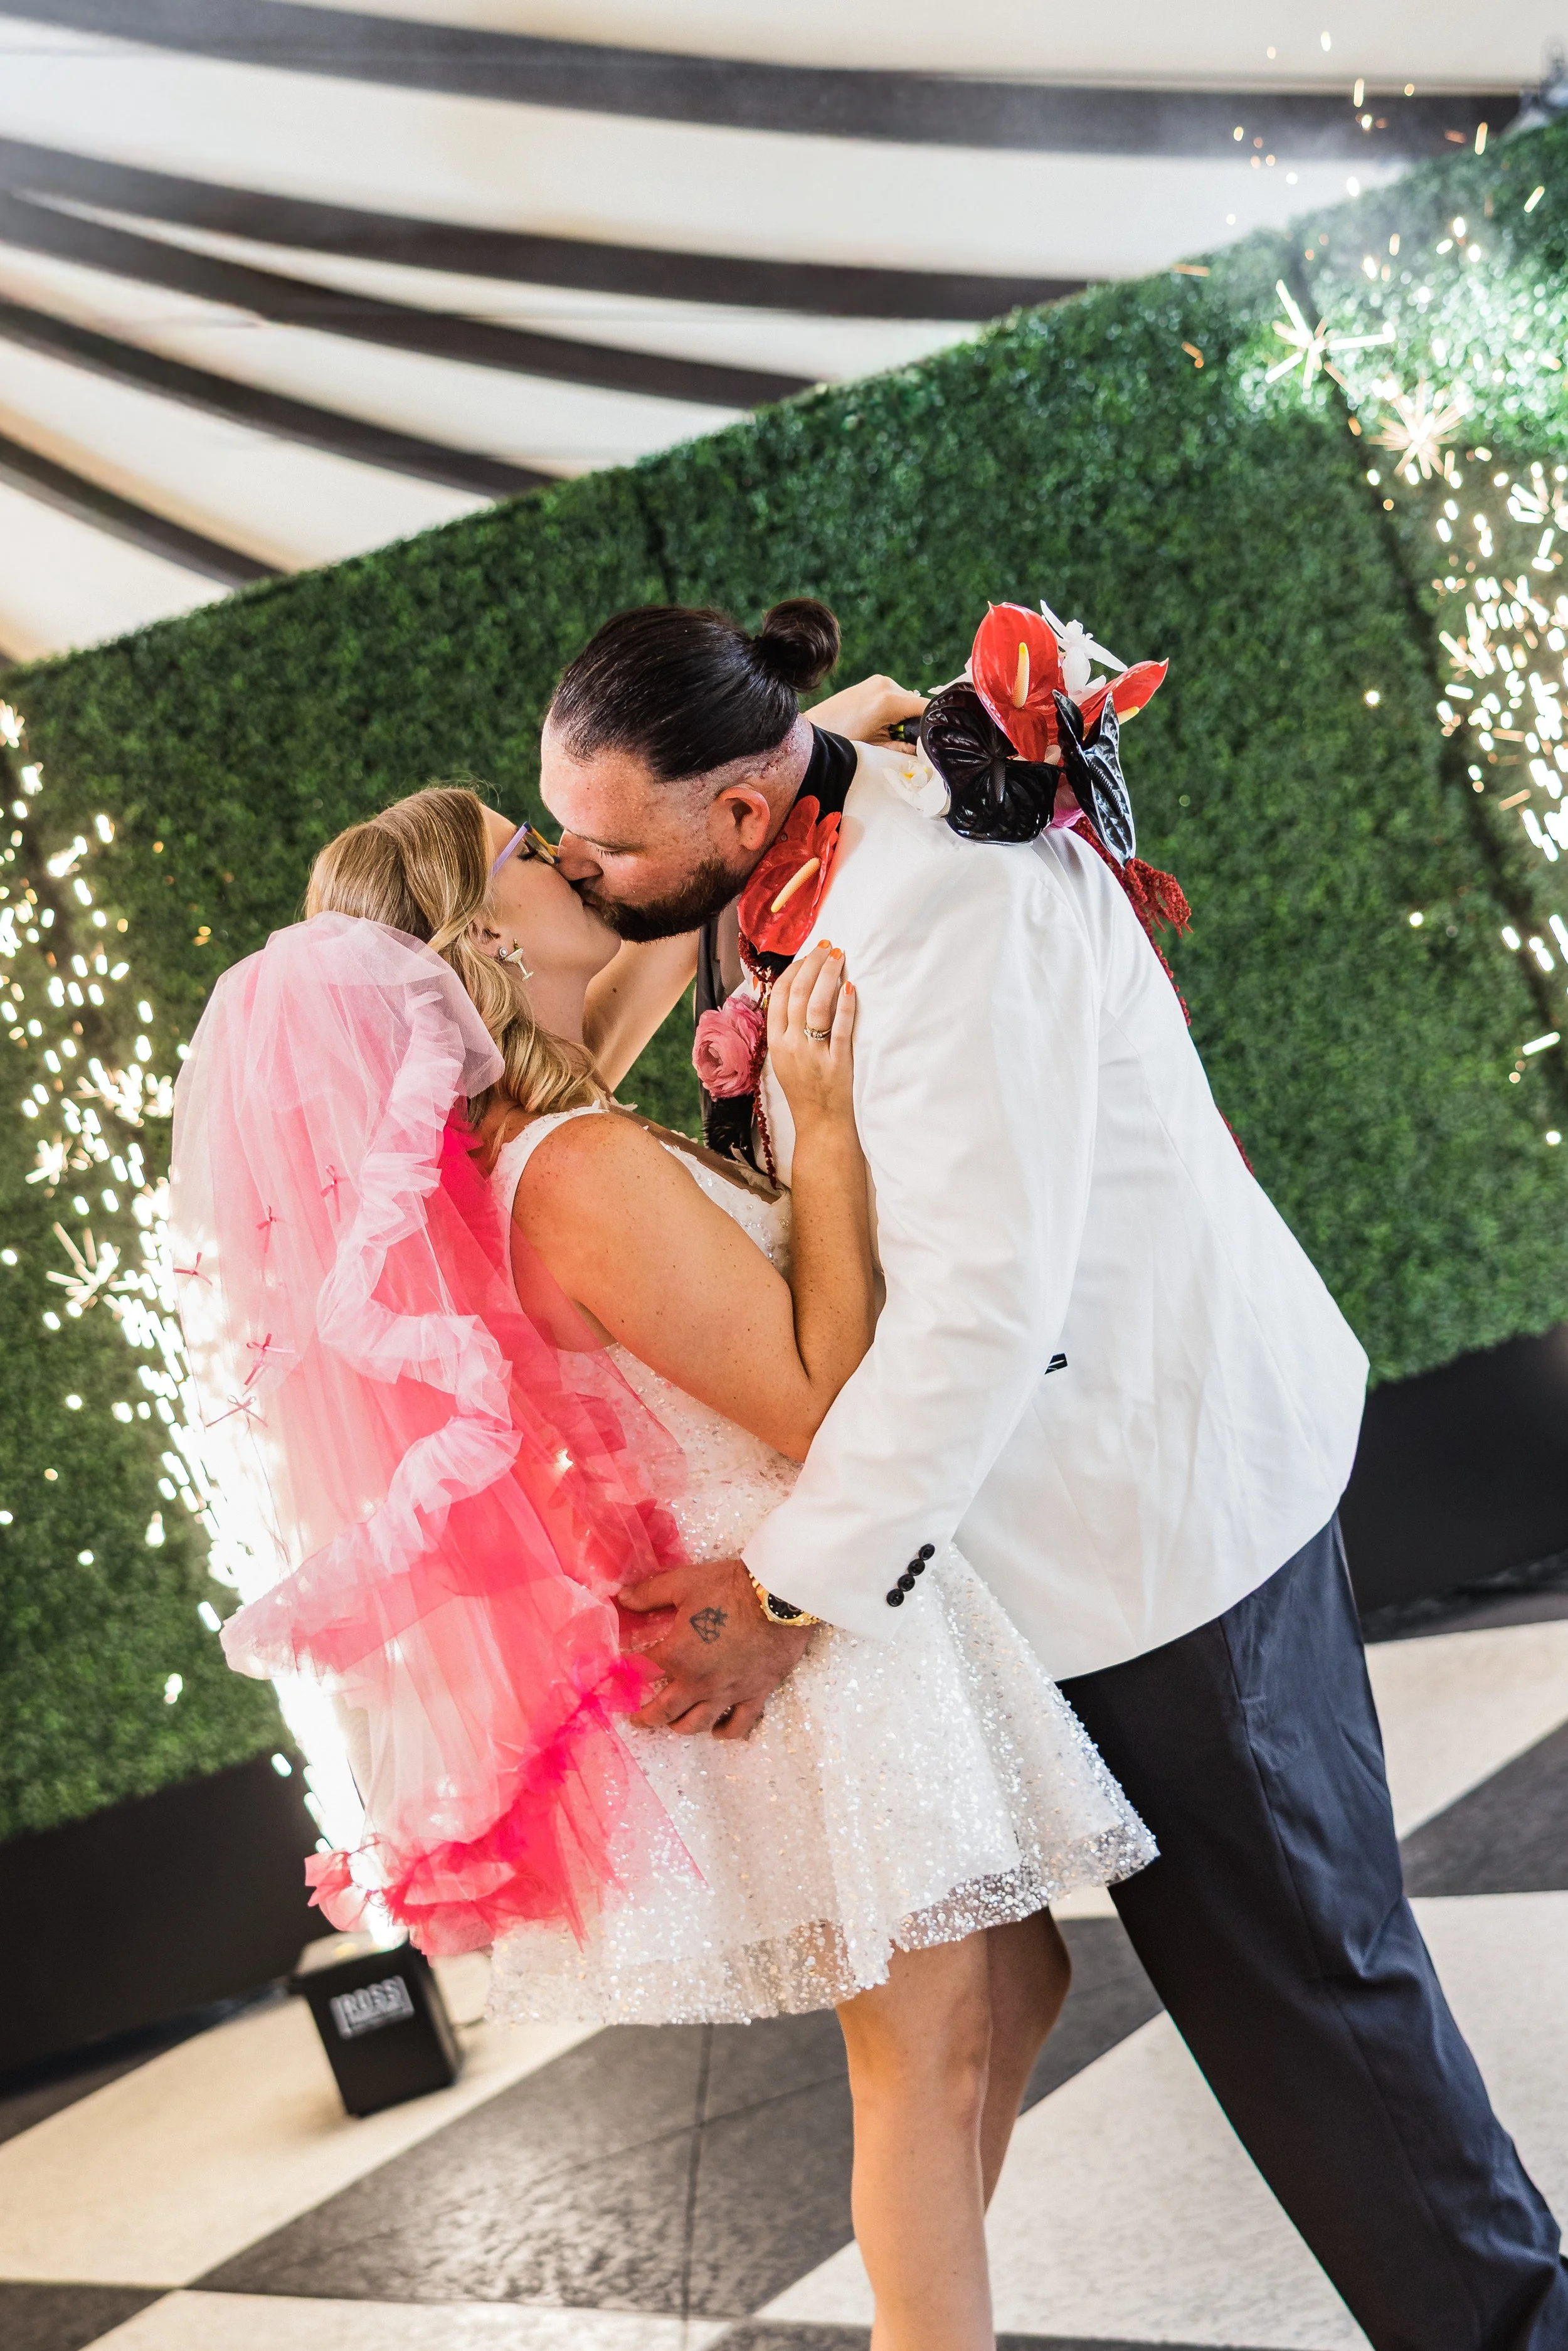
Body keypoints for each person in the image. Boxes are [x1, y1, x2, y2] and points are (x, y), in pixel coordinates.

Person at [527, 595, 1568, 2351]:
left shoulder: (942, 907)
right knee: (1271, 1996)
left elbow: (983, 1317)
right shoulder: (795, 831)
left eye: (604, 846)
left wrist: (789, 1587)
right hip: (1058, 1526)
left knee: (1320, 2010)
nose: (581, 874)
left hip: (1157, 1525)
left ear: (730, 810)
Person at [253, 782, 1154, 2351]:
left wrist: (830, 742)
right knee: (928, 2060)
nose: (565, 853)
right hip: (814, 1633)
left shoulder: (519, 1125)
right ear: (477, 935)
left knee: (1012, 1995)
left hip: (812, 1600)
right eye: (526, 848)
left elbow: (643, 950)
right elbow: (820, 1393)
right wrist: (832, 1125)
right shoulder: (576, 1160)